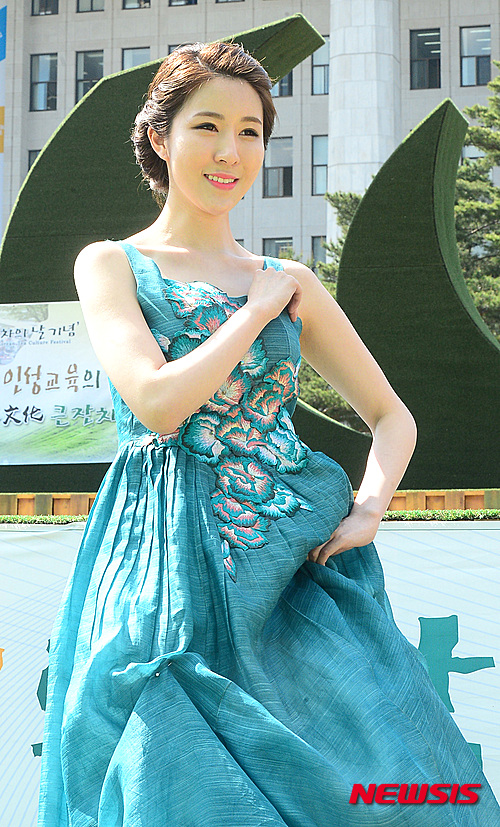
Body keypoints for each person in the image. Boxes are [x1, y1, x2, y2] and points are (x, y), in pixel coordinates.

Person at [38, 41, 499, 826]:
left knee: (391, 776)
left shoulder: (292, 283)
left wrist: (370, 508)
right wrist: (254, 311)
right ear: (159, 138)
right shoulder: (111, 264)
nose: (231, 151)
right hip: (164, 567)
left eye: (250, 132)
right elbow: (156, 402)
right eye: (208, 127)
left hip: (294, 566)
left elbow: (392, 416)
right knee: (169, 777)